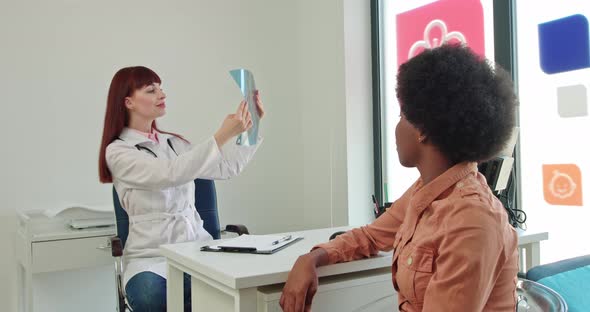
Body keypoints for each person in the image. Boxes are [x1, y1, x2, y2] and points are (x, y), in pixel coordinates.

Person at [280, 44, 519, 312]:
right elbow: (370, 238)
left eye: (402, 115)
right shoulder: (427, 191)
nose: (396, 128)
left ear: (423, 130)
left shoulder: (471, 220)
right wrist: (312, 258)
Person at [98, 66, 264, 311]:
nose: (161, 94)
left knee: (241, 288)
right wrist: (220, 135)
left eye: (161, 88)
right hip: (151, 260)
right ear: (128, 101)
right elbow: (169, 173)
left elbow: (227, 167)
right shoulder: (119, 151)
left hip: (197, 251)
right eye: (151, 90)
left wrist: (252, 126)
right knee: (152, 296)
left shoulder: (175, 143)